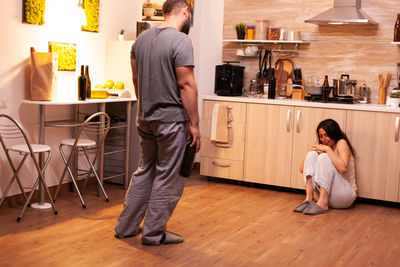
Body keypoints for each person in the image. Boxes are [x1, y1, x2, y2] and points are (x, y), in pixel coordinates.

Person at [114, 0, 200, 245]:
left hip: (146, 118)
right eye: (190, 15)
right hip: (171, 121)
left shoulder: (140, 40)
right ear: (186, 11)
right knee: (167, 176)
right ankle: (153, 233)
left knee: (144, 171)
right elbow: (186, 84)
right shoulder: (181, 41)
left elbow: (136, 79)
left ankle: (126, 227)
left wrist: (146, 107)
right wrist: (194, 124)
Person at [293, 119, 357, 215]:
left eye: (326, 135)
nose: (323, 139)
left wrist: (327, 150)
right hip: (326, 195)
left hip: (344, 196)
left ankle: (323, 203)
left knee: (324, 156)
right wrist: (309, 152)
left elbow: (343, 168)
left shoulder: (341, 143)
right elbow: (302, 169)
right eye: (321, 136)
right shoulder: (323, 147)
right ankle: (309, 199)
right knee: (312, 154)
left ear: (334, 134)